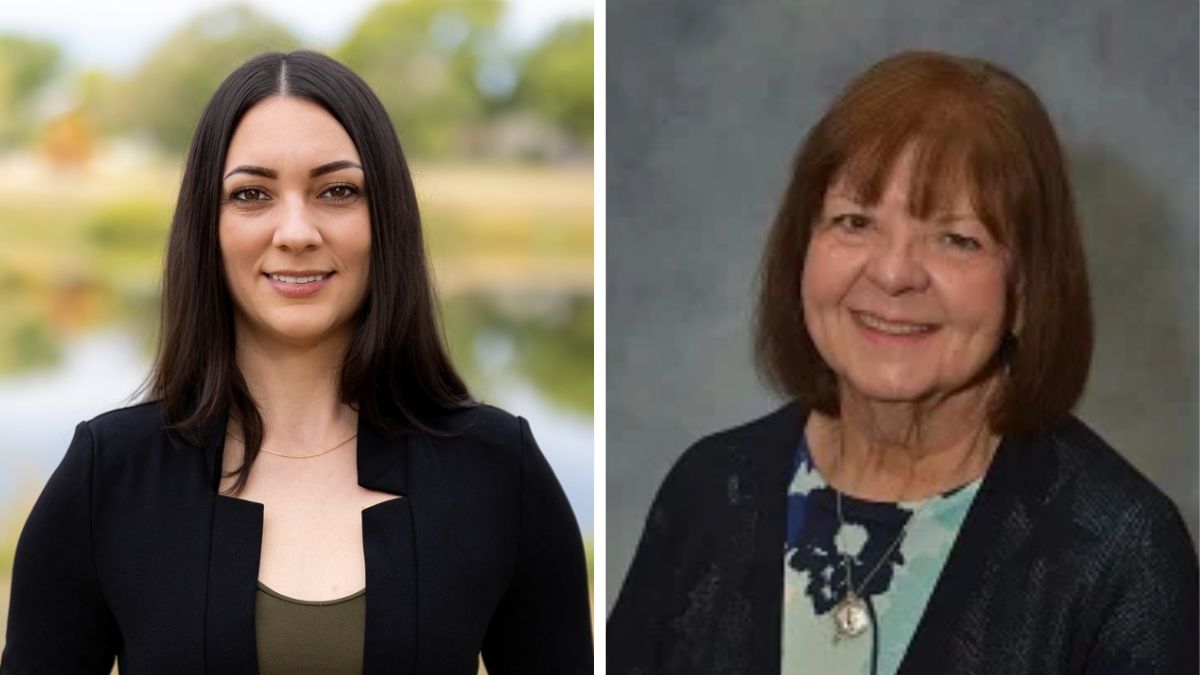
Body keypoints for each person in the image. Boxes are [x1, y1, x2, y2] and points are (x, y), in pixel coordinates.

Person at [1, 50, 591, 674]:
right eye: (252, 194)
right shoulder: (110, 475)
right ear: (207, 226)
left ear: (386, 219)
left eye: (337, 191)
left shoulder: (497, 468)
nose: (296, 232)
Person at [608, 51, 1197, 675]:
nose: (893, 274)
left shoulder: (1121, 552)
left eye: (956, 239)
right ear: (803, 249)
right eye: (854, 222)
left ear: (1028, 283)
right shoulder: (709, 494)